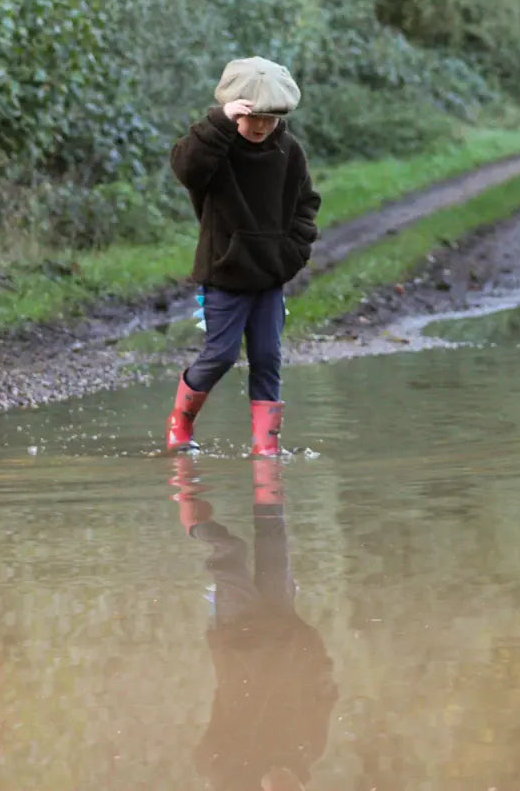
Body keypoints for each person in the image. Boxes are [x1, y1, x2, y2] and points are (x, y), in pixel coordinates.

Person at [166, 56, 321, 455]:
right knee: (219, 355)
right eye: (252, 117)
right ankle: (180, 426)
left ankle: (266, 447)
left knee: (268, 357)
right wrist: (218, 122)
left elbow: (307, 205)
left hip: (269, 277)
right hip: (223, 275)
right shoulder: (216, 147)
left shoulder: (290, 152)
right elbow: (186, 169)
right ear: (236, 110)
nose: (260, 126)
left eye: (270, 118)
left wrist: (291, 253)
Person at [169, 455, 338, 791]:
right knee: (274, 535)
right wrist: (308, 649)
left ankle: (184, 489)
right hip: (283, 624)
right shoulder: (309, 750)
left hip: (239, 635)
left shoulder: (232, 773)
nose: (287, 785)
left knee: (228, 551)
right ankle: (266, 466)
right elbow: (326, 691)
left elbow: (204, 756)